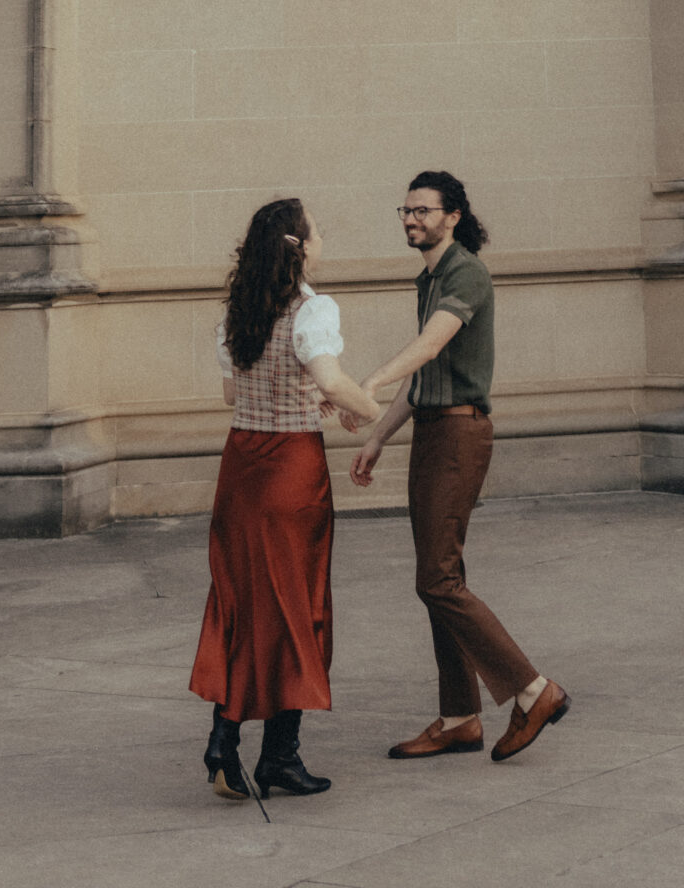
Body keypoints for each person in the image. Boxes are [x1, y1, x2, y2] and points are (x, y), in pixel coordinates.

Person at [351, 171, 569, 764]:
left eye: (422, 210)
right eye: (405, 210)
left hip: (458, 435)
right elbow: (426, 372)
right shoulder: (430, 277)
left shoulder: (466, 272)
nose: (410, 219)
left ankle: (533, 690)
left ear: (452, 216)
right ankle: (459, 718)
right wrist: (378, 438)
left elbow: (427, 346)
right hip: (433, 431)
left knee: (438, 581)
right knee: (439, 576)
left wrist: (369, 382)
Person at [189, 196, 383, 803]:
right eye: (317, 232)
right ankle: (279, 755)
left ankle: (226, 739)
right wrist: (375, 413)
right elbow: (330, 379)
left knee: (241, 602)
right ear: (298, 248)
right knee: (297, 604)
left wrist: (301, 393)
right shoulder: (311, 310)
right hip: (290, 472)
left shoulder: (240, 311)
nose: (324, 239)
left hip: (241, 468)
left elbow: (232, 393)